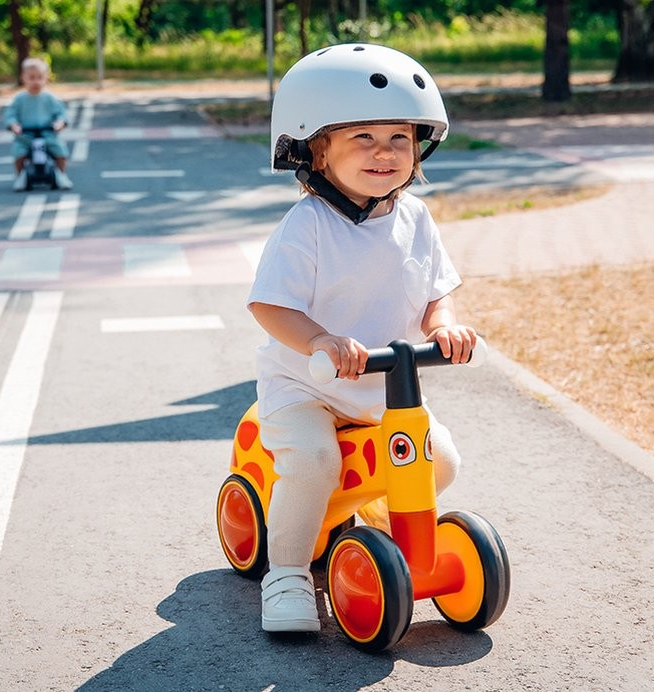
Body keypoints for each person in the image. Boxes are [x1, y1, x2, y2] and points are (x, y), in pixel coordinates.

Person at [247, 43, 475, 634]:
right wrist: (320, 340)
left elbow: (435, 291)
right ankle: (289, 571)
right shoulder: (307, 226)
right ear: (317, 150)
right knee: (315, 461)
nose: (385, 153)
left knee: (441, 461)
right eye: (362, 139)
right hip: (308, 386)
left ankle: (366, 525)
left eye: (399, 138)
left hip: (383, 392)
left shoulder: (416, 217)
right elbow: (271, 305)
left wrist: (443, 326)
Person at [4, 57, 73, 191]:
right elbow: (11, 115)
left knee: (61, 153)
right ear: (24, 78)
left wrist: (60, 123)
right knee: (18, 154)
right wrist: (14, 125)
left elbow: (61, 113)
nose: (36, 81)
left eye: (40, 77)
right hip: (25, 136)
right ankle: (20, 176)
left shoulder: (50, 98)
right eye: (31, 77)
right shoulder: (19, 99)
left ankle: (61, 174)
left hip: (48, 134)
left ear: (46, 78)